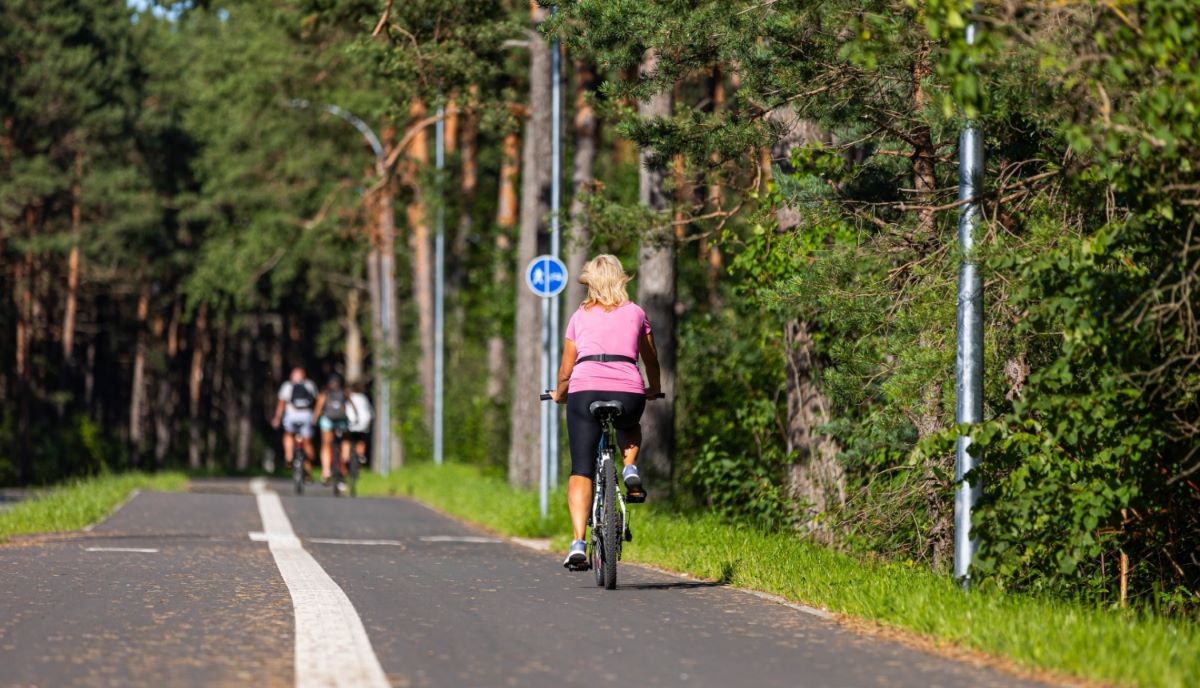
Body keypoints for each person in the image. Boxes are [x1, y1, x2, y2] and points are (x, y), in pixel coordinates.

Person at [549, 254, 662, 569]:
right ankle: (629, 467)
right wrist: (653, 387)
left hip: (584, 392)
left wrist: (560, 394)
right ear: (620, 279)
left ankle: (576, 544)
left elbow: (565, 371)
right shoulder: (637, 313)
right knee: (629, 424)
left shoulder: (579, 316)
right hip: (628, 390)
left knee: (581, 470)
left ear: (591, 284)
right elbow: (650, 358)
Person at [271, 367, 318, 479]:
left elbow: (281, 404)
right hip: (306, 415)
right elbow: (316, 401)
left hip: (291, 415)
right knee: (307, 442)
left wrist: (277, 418)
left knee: (288, 434)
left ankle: (289, 456)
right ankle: (309, 463)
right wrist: (315, 416)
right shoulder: (310, 385)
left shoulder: (287, 386)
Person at [312, 373, 357, 490]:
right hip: (341, 421)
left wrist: (314, 420)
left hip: (328, 421)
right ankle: (345, 458)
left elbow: (318, 408)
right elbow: (352, 406)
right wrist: (356, 417)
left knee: (326, 445)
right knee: (346, 440)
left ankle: (326, 471)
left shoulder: (325, 393)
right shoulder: (344, 393)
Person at [345, 382, 374, 469]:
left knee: (347, 440)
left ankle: (346, 457)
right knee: (361, 440)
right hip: (363, 424)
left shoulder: (348, 398)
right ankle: (361, 456)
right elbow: (370, 412)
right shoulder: (363, 398)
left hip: (351, 424)